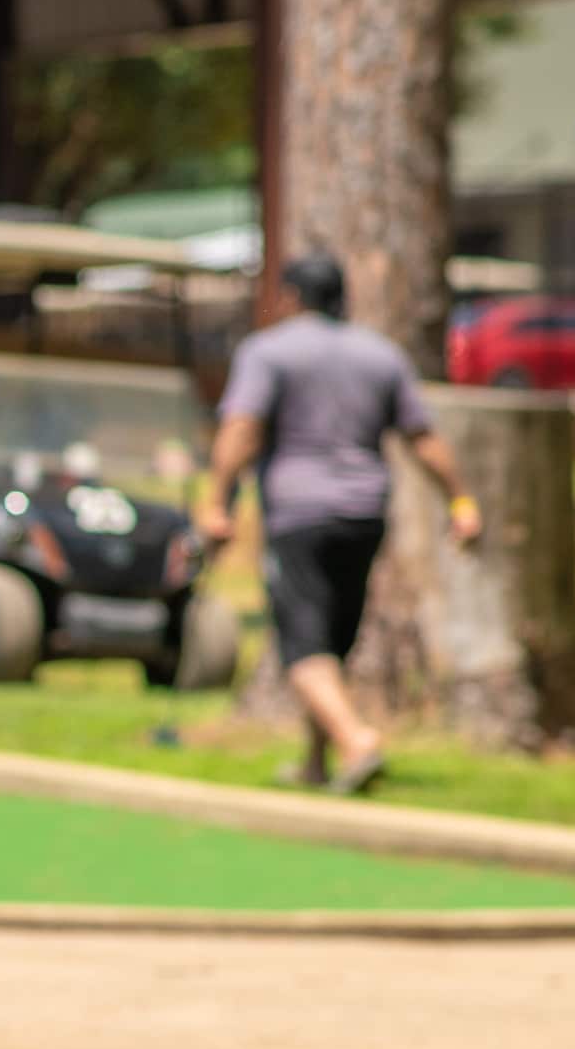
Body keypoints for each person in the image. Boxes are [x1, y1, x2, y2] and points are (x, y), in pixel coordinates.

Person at [198, 252, 482, 794]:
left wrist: (217, 503)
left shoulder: (268, 351)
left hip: (298, 513)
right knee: (334, 639)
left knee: (302, 646)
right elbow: (423, 437)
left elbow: (241, 429)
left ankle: (355, 741)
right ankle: (314, 761)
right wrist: (461, 502)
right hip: (363, 514)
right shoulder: (380, 355)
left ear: (290, 297)